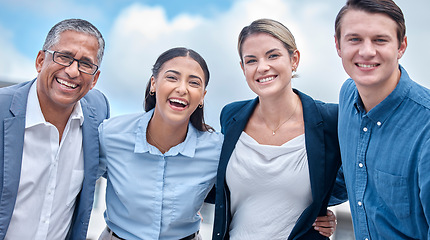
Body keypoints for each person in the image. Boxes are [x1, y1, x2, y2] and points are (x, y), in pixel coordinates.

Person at [212, 18, 343, 240]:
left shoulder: (330, 119)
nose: (262, 67)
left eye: (273, 55)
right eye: (251, 60)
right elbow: (221, 188)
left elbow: (354, 175)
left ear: (294, 60)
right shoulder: (231, 116)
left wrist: (319, 207)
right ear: (243, 68)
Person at [97, 47, 223, 240]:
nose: (182, 89)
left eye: (194, 83)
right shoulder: (111, 134)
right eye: (172, 78)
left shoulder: (216, 149)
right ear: (153, 84)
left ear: (202, 96)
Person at [0, 19, 109, 240]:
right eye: (64, 57)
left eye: (85, 64)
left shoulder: (98, 112)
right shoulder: (3, 111)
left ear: (95, 78)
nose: (72, 71)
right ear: (40, 60)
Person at [335, 0, 430, 239]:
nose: (366, 51)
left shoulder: (426, 126)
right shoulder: (347, 96)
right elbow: (349, 178)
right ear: (337, 45)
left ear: (401, 46)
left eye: (380, 40)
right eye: (354, 39)